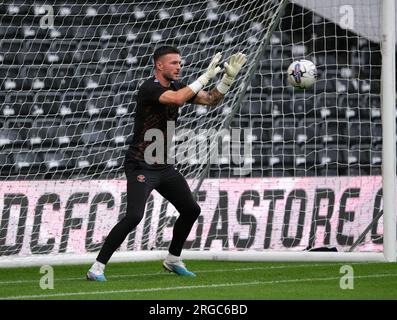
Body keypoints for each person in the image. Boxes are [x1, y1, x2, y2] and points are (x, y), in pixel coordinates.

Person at [86, 45, 247, 281]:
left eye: (180, 62)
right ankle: (97, 267)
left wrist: (228, 79)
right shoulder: (149, 88)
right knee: (133, 216)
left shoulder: (178, 86)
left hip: (163, 165)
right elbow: (179, 99)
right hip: (141, 164)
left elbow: (211, 100)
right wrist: (204, 77)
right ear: (159, 65)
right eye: (173, 63)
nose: (179, 66)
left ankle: (172, 259)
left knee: (191, 209)